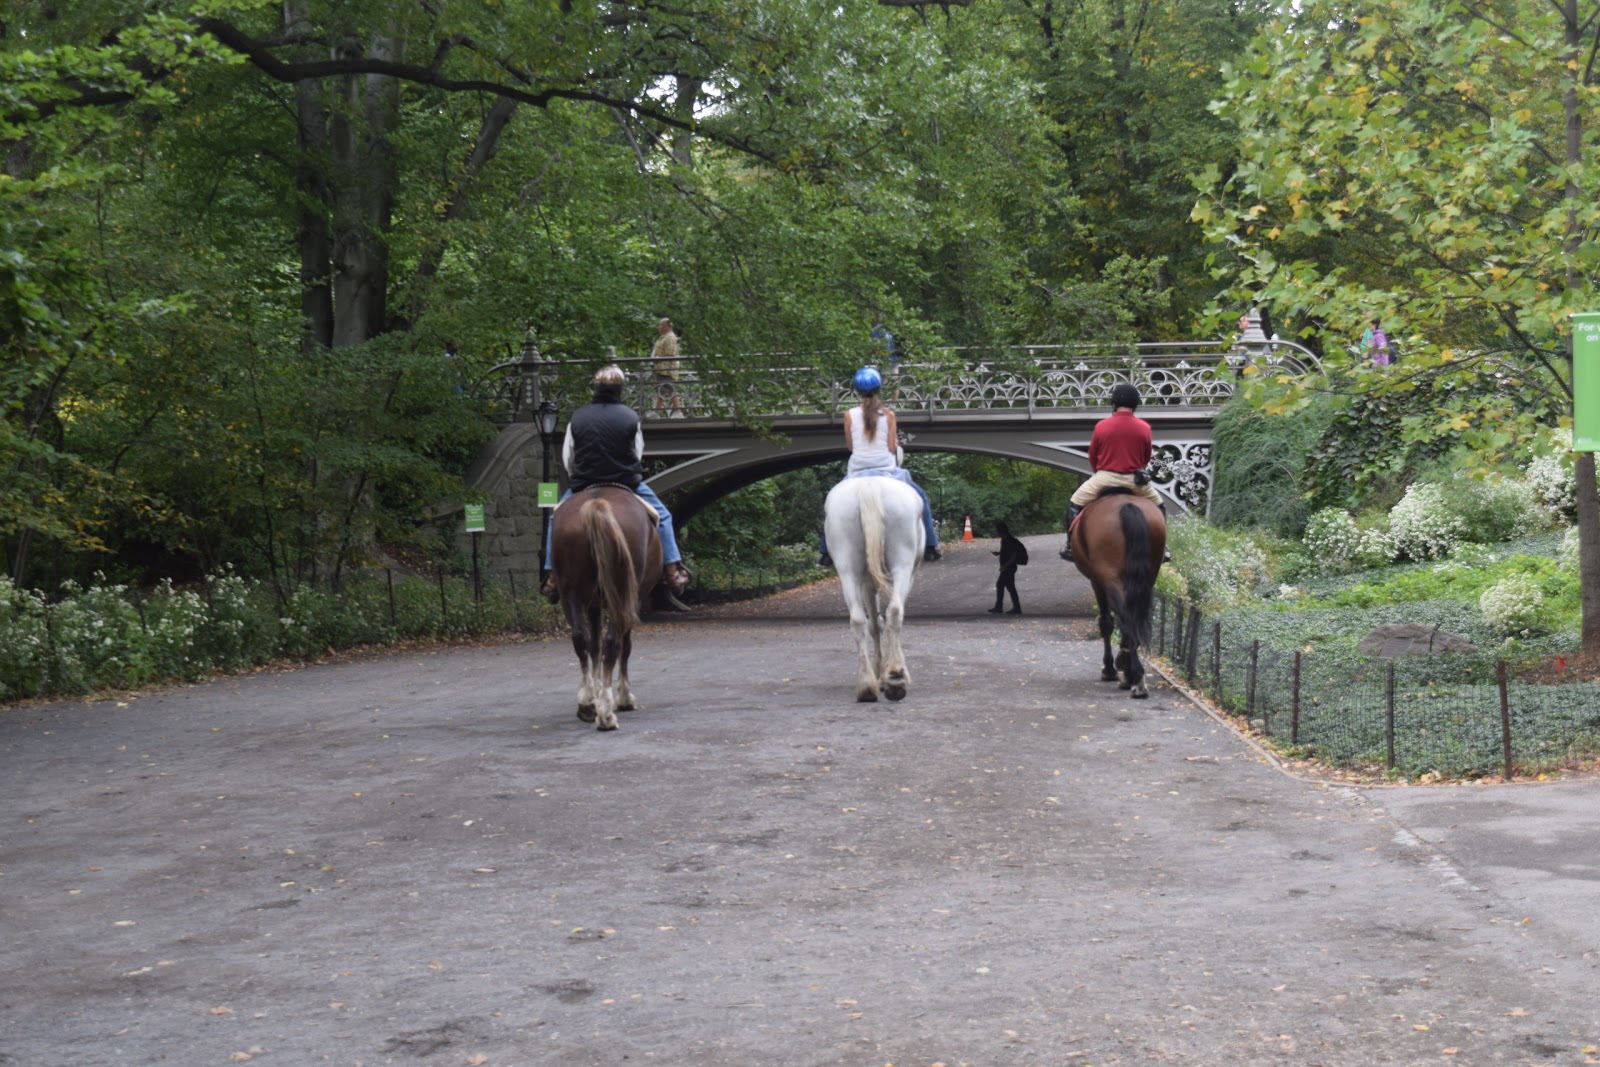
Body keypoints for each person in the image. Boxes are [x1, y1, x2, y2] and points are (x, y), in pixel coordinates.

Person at [540, 365, 692, 602]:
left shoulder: (577, 417)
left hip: (584, 482)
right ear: (621, 390)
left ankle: (552, 576)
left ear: (596, 388)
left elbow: (569, 457)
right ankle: (672, 571)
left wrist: (579, 478)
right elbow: (637, 453)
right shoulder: (630, 417)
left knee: (555, 519)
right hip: (625, 482)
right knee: (664, 517)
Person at [817, 366, 942, 566]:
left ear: (856, 391)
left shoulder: (849, 415)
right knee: (921, 498)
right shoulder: (889, 415)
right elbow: (892, 447)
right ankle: (930, 546)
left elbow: (850, 446)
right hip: (887, 470)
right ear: (879, 389)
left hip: (856, 470)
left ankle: (825, 552)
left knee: (831, 504)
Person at [1058, 381, 1169, 563]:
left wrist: (1100, 471)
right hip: (1133, 479)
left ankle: (1070, 545)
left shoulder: (1102, 426)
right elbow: (1145, 456)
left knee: (1074, 502)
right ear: (1135, 404)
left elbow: (1093, 456)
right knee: (1160, 506)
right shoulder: (1144, 428)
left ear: (1114, 403)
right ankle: (1162, 547)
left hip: (1105, 477)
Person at [989, 520, 1026, 615]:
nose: (997, 533)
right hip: (1008, 567)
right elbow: (1007, 552)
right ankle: (1016, 607)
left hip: (1009, 567)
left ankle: (999, 607)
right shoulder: (1005, 540)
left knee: (1000, 584)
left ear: (1001, 531)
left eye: (998, 531)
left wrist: (1005, 566)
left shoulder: (1009, 540)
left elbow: (1013, 555)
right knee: (1010, 587)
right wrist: (999, 553)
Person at [651, 317, 683, 416]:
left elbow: (670, 353)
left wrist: (657, 358)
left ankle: (678, 412)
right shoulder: (665, 337)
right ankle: (656, 413)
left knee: (669, 388)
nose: (659, 327)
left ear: (666, 326)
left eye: (660, 325)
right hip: (661, 368)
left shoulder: (670, 337)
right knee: (662, 389)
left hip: (666, 369)